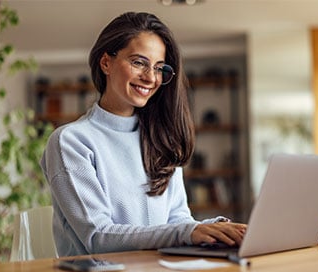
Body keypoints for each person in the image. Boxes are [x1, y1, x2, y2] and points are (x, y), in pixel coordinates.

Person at [40, 11, 247, 257]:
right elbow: (97, 236)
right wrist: (188, 232)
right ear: (106, 62)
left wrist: (214, 229)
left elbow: (177, 220)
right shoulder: (71, 142)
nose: (150, 78)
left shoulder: (161, 140)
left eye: (159, 68)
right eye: (139, 62)